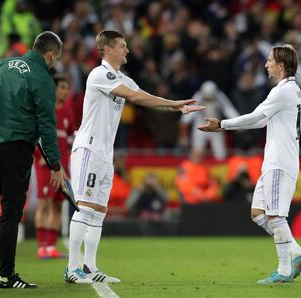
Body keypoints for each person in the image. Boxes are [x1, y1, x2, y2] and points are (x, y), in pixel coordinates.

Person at [65, 30, 204, 284]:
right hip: (89, 148)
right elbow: (133, 96)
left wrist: (176, 107)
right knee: (85, 208)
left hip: (106, 152)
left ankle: (90, 266)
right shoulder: (100, 74)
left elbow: (145, 100)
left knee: (98, 211)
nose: (127, 50)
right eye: (122, 46)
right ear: (107, 49)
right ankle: (72, 268)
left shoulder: (122, 79)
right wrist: (173, 102)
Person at [198, 44, 301, 284]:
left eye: (269, 60)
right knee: (258, 213)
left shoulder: (283, 91)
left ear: (281, 65)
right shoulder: (288, 90)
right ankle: (297, 253)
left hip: (280, 162)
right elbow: (262, 122)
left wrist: (222, 125)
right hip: (274, 160)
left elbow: (257, 117)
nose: (265, 64)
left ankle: (283, 271)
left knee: (275, 217)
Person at [0, 31, 64, 289]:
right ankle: (6, 276)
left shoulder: (1, 64)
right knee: (10, 211)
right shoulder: (42, 78)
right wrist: (55, 164)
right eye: (54, 60)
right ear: (50, 55)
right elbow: (46, 125)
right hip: (15, 147)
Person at [34, 75, 76, 259]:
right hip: (45, 165)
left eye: (67, 87)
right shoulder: (44, 110)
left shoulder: (68, 113)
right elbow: (33, 136)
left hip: (62, 168)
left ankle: (51, 246)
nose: (66, 91)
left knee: (58, 205)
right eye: (63, 87)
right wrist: (39, 157)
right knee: (44, 204)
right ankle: (41, 246)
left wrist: (68, 163)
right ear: (54, 89)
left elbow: (70, 141)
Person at [179, 81, 239, 160]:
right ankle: (196, 170)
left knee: (220, 154)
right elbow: (187, 117)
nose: (209, 101)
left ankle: (220, 168)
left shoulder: (220, 96)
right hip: (200, 125)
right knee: (197, 151)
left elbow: (229, 110)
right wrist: (183, 136)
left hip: (215, 125)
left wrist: (238, 122)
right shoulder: (198, 97)